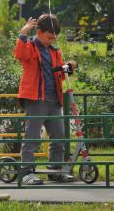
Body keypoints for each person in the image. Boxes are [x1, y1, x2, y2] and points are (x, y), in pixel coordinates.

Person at [14, 14, 77, 185]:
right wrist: (23, 32)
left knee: (59, 136)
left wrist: (69, 68)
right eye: (49, 36)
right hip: (35, 98)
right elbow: (19, 54)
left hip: (53, 99)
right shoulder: (30, 47)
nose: (51, 40)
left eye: (54, 37)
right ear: (39, 32)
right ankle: (26, 172)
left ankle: (55, 171)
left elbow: (60, 75)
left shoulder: (54, 51)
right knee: (32, 136)